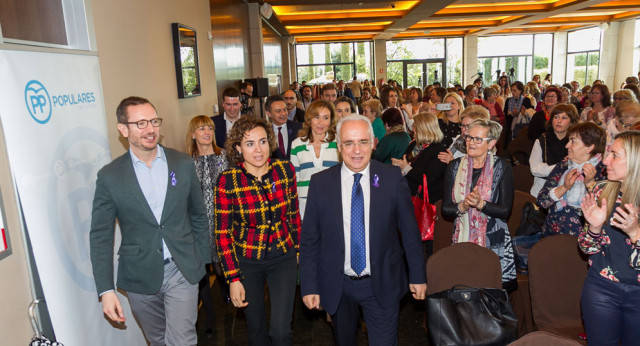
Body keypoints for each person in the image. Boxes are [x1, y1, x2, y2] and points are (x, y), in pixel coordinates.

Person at [90, 96, 210, 346]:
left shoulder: (183, 163)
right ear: (123, 129)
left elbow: (198, 214)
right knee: (157, 340)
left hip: (182, 269)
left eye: (154, 121)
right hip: (139, 274)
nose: (151, 129)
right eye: (141, 123)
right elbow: (100, 236)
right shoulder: (110, 177)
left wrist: (202, 260)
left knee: (182, 341)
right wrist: (106, 290)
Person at [300, 114, 427, 345]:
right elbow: (310, 240)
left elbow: (409, 231)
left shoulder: (391, 178)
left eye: (362, 142)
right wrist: (309, 285)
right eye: (349, 143)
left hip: (382, 282)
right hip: (338, 286)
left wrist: (418, 275)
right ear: (339, 146)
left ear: (373, 143)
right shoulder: (321, 184)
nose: (356, 150)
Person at [214, 116, 301, 346]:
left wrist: (299, 249)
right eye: (249, 143)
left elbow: (293, 215)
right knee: (256, 332)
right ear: (238, 148)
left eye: (262, 141)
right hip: (247, 262)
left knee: (281, 332)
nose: (258, 149)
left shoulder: (285, 170)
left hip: (283, 257)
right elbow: (223, 234)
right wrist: (232, 277)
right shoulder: (227, 181)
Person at [579, 131, 640, 345]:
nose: (605, 161)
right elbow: (587, 248)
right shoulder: (601, 191)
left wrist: (635, 233)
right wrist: (594, 228)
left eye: (614, 155)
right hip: (601, 289)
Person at [442, 118, 516, 290]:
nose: (471, 143)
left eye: (477, 139)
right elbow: (446, 209)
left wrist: (481, 204)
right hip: (462, 236)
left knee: (490, 293)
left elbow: (505, 210)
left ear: (491, 144)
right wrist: (463, 206)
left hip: (494, 240)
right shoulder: (454, 166)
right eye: (469, 137)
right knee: (464, 290)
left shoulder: (501, 167)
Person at [186, 115, 230, 333]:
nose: (207, 132)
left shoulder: (224, 156)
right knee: (202, 272)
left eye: (210, 128)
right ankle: (210, 318)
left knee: (222, 267)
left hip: (223, 222)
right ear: (193, 133)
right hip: (198, 225)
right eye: (202, 128)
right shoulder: (186, 162)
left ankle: (228, 293)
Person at [537, 122, 606, 236]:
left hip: (583, 241)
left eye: (573, 141)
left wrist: (590, 184)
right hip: (552, 235)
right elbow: (542, 201)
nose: (567, 145)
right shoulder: (563, 166)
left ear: (589, 147)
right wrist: (564, 187)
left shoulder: (603, 172)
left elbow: (607, 209)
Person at [290, 100, 340, 218]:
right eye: (317, 117)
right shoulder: (297, 145)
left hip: (333, 202)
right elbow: (294, 178)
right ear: (309, 119)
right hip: (305, 204)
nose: (321, 123)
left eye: (326, 118)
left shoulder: (339, 142)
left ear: (331, 120)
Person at [392, 112, 448, 203]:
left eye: (415, 126)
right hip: (407, 194)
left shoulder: (439, 152)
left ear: (424, 129)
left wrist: (406, 168)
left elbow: (427, 180)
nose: (412, 129)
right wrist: (399, 165)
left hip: (425, 202)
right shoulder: (415, 144)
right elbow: (407, 162)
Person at [529, 104, 578, 197]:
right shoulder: (541, 141)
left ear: (571, 122)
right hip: (541, 190)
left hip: (568, 192)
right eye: (556, 117)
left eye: (564, 118)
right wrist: (561, 166)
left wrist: (547, 168)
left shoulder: (576, 143)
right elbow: (535, 169)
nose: (559, 121)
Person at [266, 95, 302, 161]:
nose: (283, 114)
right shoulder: (265, 132)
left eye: (285, 110)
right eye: (278, 111)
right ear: (269, 114)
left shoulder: (299, 128)